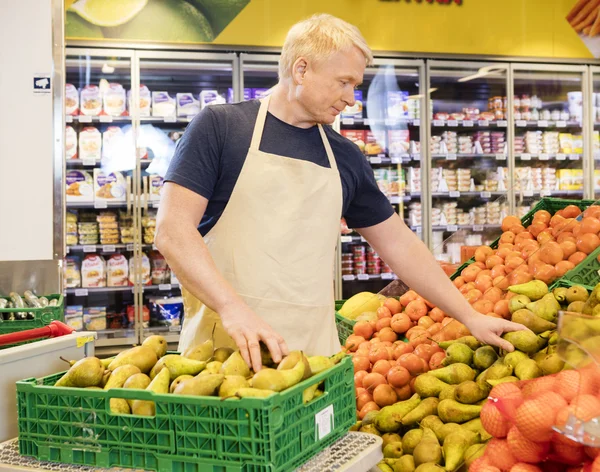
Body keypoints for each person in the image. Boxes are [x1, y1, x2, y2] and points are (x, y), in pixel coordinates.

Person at [155, 13, 526, 372]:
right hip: (225, 353)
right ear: (301, 70)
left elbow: (399, 245)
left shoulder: (345, 156)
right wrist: (231, 307)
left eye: (356, 86)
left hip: (313, 358)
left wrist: (469, 315)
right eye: (343, 82)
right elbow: (173, 232)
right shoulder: (221, 128)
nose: (352, 98)